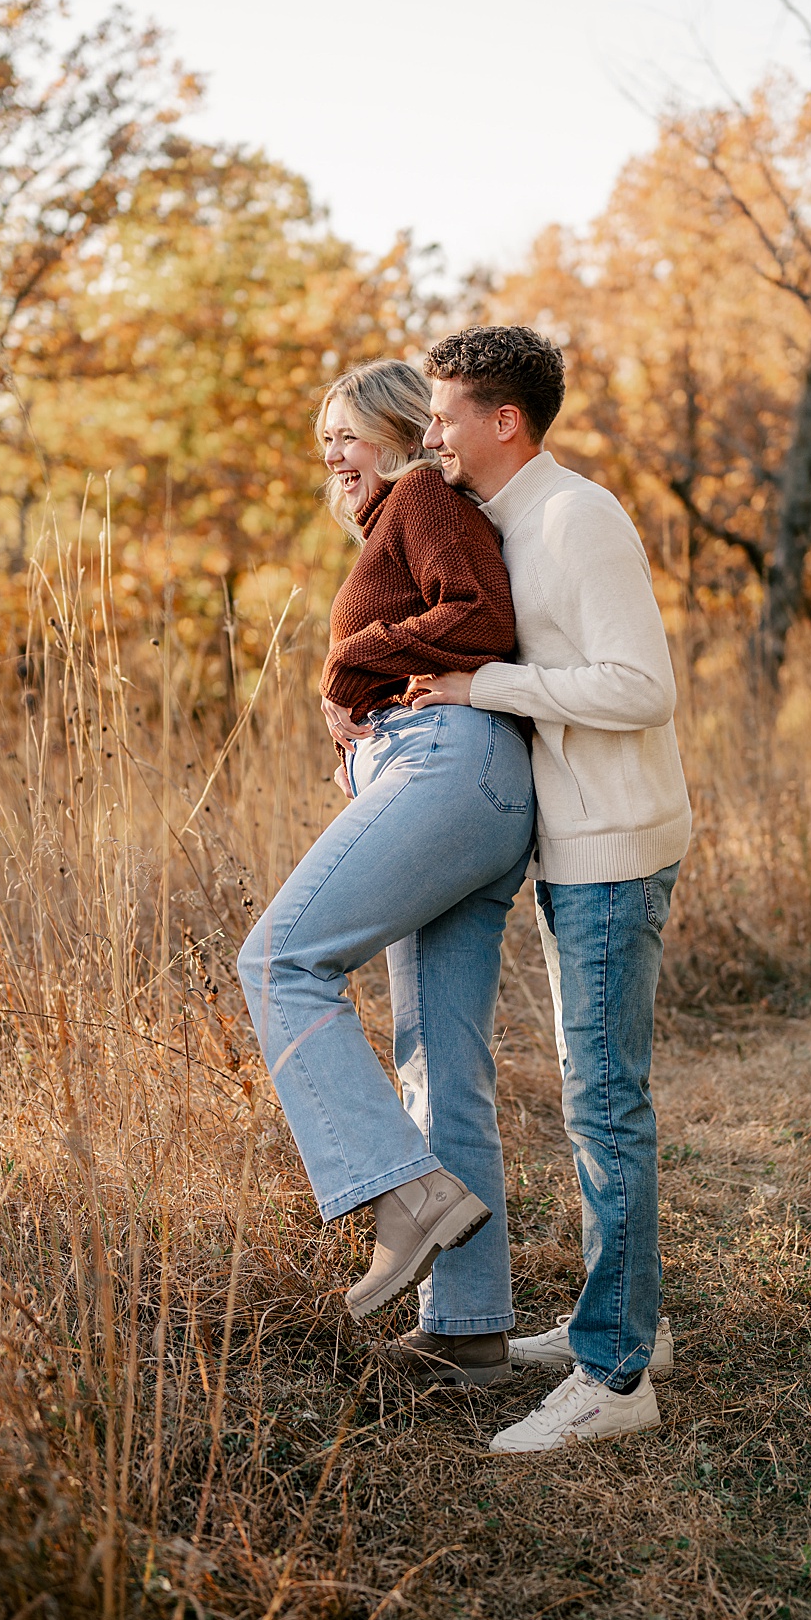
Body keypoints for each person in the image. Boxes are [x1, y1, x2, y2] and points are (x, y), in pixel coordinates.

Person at [403, 324, 693, 1455]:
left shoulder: (578, 518)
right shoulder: (504, 520)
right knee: (598, 1098)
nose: (433, 435)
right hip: (578, 842)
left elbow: (641, 685)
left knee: (603, 1108)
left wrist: (489, 686)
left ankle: (616, 1380)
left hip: (613, 848)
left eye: (444, 415)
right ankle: (631, 1324)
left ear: (503, 420)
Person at [238, 360, 534, 1364]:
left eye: (350, 433)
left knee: (277, 961)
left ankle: (403, 1194)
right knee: (441, 1066)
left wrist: (347, 663)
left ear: (403, 431)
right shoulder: (402, 520)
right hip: (465, 786)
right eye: (325, 440)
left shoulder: (422, 496)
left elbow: (482, 616)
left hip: (450, 774)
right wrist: (354, 712)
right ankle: (467, 1334)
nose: (334, 454)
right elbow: (430, 641)